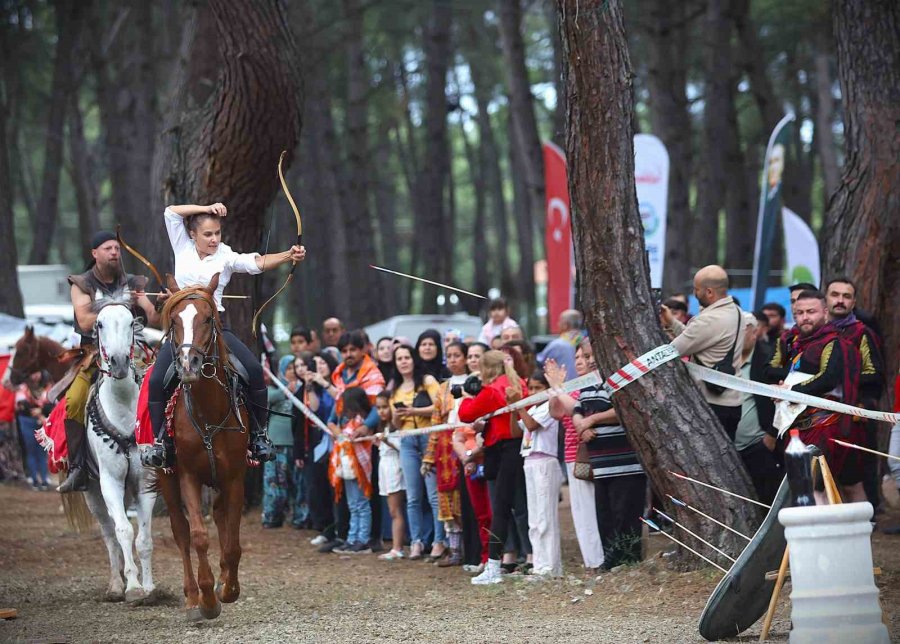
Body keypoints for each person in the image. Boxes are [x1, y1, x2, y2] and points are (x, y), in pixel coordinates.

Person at [142, 203, 306, 470]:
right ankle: (162, 442)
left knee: (253, 370)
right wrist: (206, 207)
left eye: (217, 233)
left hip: (212, 328)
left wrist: (289, 255)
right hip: (183, 331)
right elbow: (171, 212)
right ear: (192, 234)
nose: (214, 239)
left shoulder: (225, 255)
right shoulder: (181, 245)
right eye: (207, 234)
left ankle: (258, 436)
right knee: (158, 379)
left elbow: (256, 263)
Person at [61, 231, 162, 492]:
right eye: (108, 248)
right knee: (74, 400)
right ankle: (78, 467)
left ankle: (164, 454)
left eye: (117, 248)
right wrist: (116, 308)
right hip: (93, 356)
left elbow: (152, 318)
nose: (115, 252)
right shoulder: (81, 283)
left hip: (133, 355)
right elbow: (84, 320)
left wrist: (160, 304)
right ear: (95, 253)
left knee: (162, 387)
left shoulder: (132, 283)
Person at [765, 290, 866, 503]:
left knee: (820, 485)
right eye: (799, 312)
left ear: (825, 313)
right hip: (797, 426)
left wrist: (790, 390)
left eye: (811, 311)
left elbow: (828, 378)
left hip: (827, 425)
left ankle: (841, 534)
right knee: (805, 486)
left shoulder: (834, 342)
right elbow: (776, 371)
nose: (805, 317)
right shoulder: (795, 343)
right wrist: (784, 388)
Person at [459, 350, 530, 585]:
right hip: (518, 447)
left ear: (487, 369)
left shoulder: (491, 391)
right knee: (519, 506)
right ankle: (529, 557)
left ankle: (494, 565)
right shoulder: (517, 383)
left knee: (499, 508)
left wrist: (467, 395)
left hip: (503, 451)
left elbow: (465, 413)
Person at [660, 265, 744, 441]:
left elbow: (671, 352)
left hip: (712, 406)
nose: (694, 293)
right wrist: (672, 322)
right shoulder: (735, 311)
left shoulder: (708, 320)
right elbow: (702, 338)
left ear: (709, 292)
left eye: (696, 289)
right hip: (732, 402)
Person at [824, 277, 884, 507]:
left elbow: (875, 374)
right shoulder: (814, 331)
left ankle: (864, 529)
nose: (840, 301)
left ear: (854, 302)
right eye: (835, 295)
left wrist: (841, 376)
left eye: (846, 296)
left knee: (854, 480)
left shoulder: (861, 333)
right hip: (819, 416)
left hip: (855, 415)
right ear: (826, 298)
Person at [549, 343, 605, 572]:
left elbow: (577, 409)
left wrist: (558, 389)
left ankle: (602, 558)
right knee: (583, 512)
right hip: (576, 458)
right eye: (578, 356)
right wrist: (556, 389)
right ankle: (593, 560)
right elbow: (556, 412)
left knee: (599, 509)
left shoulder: (597, 382)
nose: (581, 360)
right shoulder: (571, 387)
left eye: (586, 356)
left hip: (599, 453)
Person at [391, 345, 444, 561]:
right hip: (406, 439)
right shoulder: (396, 388)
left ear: (414, 359)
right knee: (412, 496)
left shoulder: (428, 381)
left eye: (407, 357)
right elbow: (394, 422)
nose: (403, 361)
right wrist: (399, 415)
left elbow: (440, 406)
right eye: (399, 358)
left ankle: (439, 541)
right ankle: (416, 541)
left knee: (433, 495)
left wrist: (414, 411)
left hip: (428, 438)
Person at [512, 371, 563, 578]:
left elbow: (532, 425)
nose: (533, 392)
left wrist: (519, 405)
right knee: (534, 519)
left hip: (544, 462)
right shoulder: (532, 408)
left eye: (537, 388)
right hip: (529, 461)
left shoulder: (547, 407)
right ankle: (539, 565)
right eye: (530, 388)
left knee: (545, 517)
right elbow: (517, 432)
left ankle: (551, 567)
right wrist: (511, 409)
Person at [423, 341, 469, 567]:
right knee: (448, 501)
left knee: (467, 498)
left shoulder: (474, 383)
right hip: (445, 452)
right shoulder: (443, 389)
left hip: (469, 444)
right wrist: (428, 457)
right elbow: (435, 423)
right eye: (449, 356)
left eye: (457, 355)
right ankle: (455, 549)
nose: (452, 359)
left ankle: (473, 548)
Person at [735, 313, 781, 505]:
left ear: (754, 333)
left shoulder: (769, 361)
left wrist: (771, 435)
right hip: (728, 447)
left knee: (766, 498)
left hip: (759, 445)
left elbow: (783, 402)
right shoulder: (724, 360)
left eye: (742, 332)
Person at [328, 387, 374, 554]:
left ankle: (363, 539)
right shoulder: (348, 422)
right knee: (353, 504)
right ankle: (352, 538)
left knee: (361, 504)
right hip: (347, 466)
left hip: (359, 467)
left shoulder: (362, 422)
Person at [261, 358, 301, 528]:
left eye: (295, 367)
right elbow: (266, 397)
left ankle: (297, 516)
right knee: (273, 481)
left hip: (294, 444)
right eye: (289, 368)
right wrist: (285, 390)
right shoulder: (275, 389)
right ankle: (272, 516)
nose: (292, 371)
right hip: (275, 442)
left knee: (293, 482)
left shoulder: (302, 389)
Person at [374, 392, 406, 560]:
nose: (381, 411)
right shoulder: (383, 426)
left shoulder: (397, 426)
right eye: (378, 408)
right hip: (384, 466)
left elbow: (402, 448)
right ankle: (396, 546)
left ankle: (398, 547)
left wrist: (386, 441)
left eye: (385, 407)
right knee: (391, 509)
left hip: (395, 466)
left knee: (395, 509)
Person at [15, 372, 51, 491]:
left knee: (42, 450)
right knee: (31, 449)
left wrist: (40, 411)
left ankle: (45, 478)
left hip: (42, 421)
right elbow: (21, 405)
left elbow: (52, 404)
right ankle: (34, 478)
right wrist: (38, 411)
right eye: (33, 372)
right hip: (27, 420)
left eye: (37, 372)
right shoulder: (23, 387)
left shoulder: (48, 386)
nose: (34, 375)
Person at [537, 309, 583, 379]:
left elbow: (540, 362)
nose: (558, 324)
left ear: (565, 325)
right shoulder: (586, 341)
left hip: (563, 387)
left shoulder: (557, 344)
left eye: (559, 322)